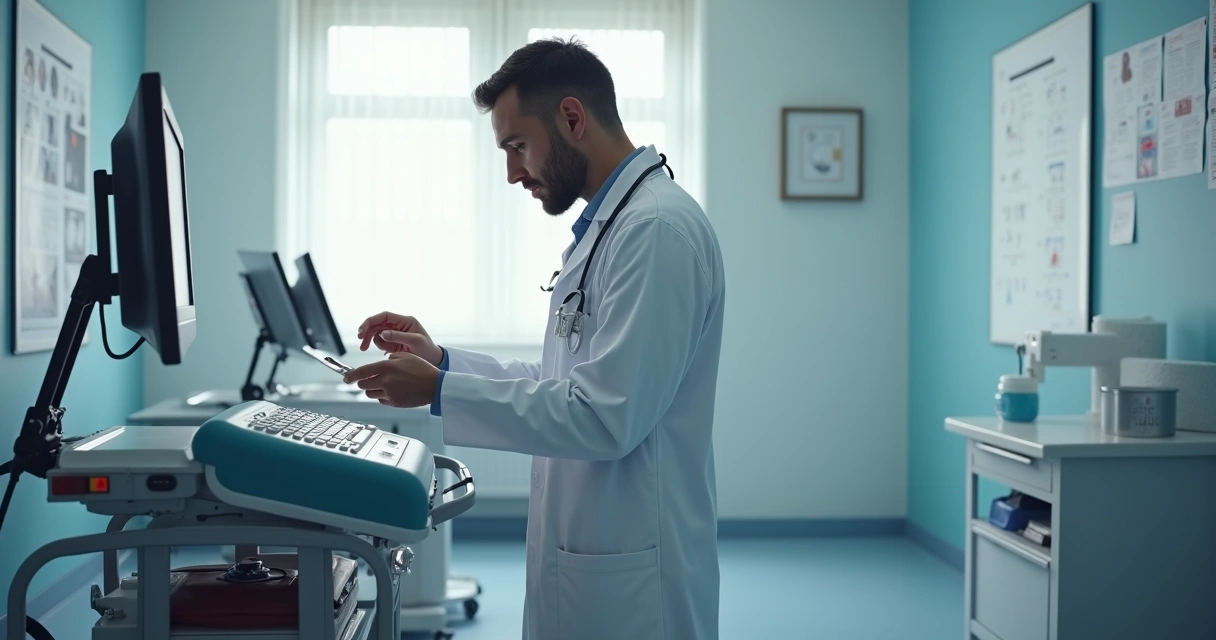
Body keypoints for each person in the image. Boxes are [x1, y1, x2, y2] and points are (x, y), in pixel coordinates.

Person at [342, 38, 725, 640]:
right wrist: (441, 363)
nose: (513, 171)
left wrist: (442, 391)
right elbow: (562, 385)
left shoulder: (655, 232)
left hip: (635, 579)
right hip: (595, 557)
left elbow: (604, 417)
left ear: (572, 118)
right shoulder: (612, 228)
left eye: (517, 146)